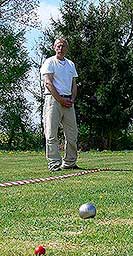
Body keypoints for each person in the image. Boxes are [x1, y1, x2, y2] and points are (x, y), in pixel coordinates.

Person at [40, 38, 79, 171]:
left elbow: (74, 84)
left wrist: (72, 99)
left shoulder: (70, 64)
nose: (60, 48)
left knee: (72, 134)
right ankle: (54, 164)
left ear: (66, 48)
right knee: (51, 133)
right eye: (58, 46)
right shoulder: (50, 62)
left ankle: (70, 163)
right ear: (54, 47)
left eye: (63, 46)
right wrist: (60, 100)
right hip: (53, 100)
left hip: (68, 102)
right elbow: (48, 83)